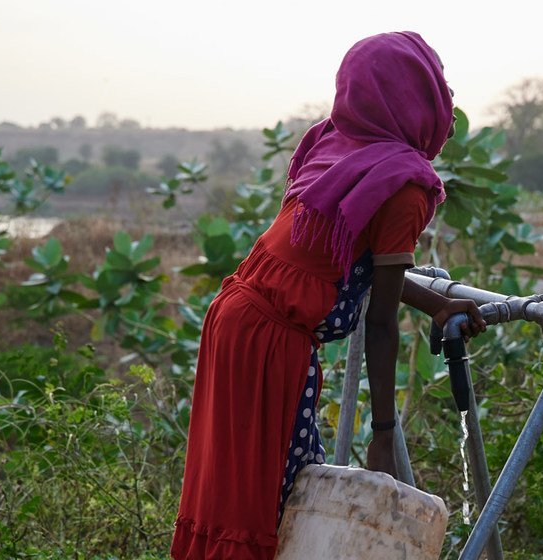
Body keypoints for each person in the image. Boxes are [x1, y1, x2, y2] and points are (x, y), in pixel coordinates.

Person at [171, 31, 485, 560]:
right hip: (270, 342)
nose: (449, 103)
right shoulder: (404, 185)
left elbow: (338, 267)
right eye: (436, 84)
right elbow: (380, 321)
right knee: (269, 501)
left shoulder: (338, 144)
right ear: (409, 98)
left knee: (242, 494)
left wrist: (434, 302)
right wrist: (383, 433)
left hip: (237, 319)